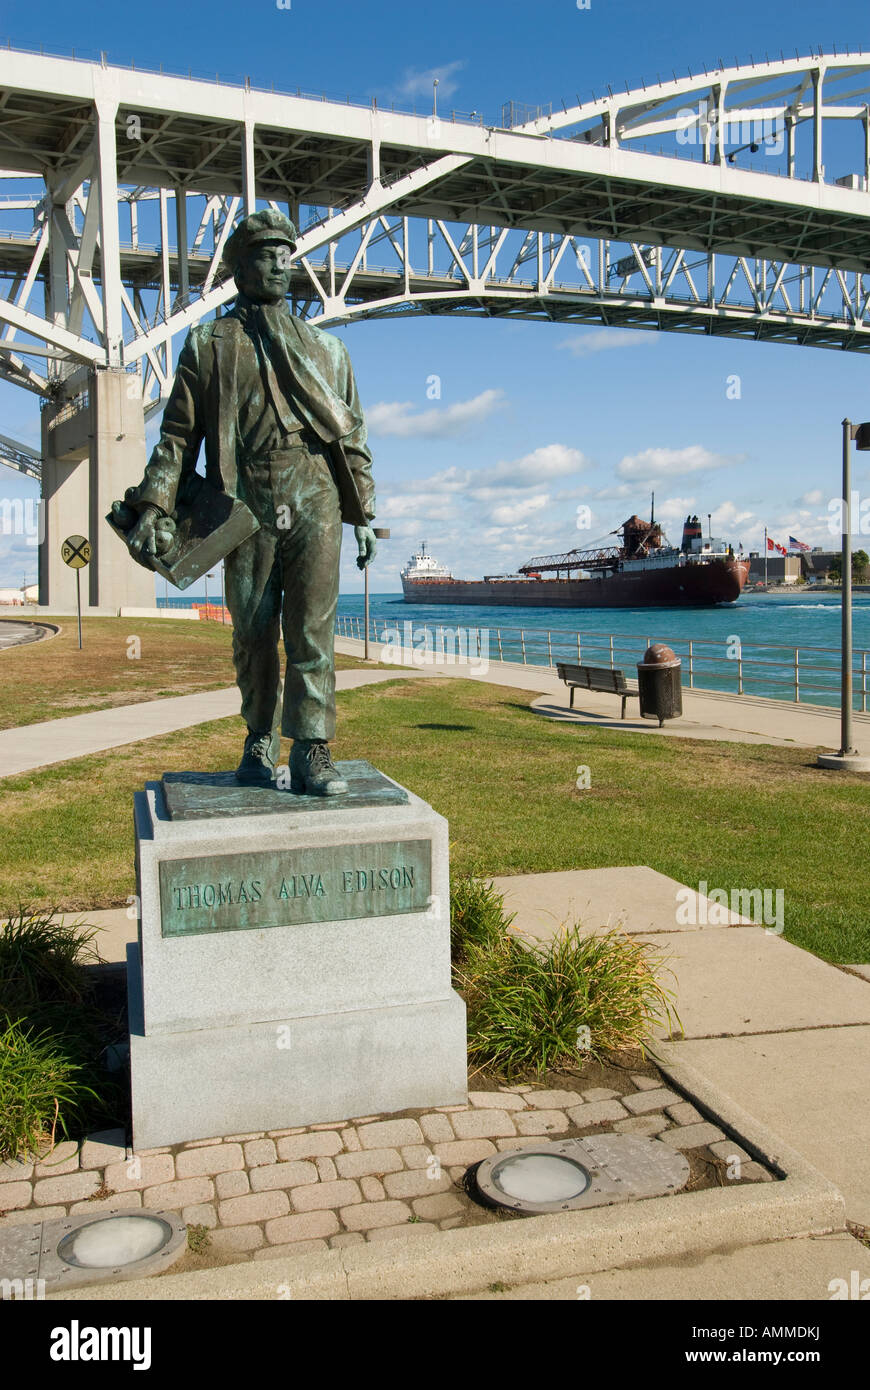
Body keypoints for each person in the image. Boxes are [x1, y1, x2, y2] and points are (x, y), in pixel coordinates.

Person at [123, 209, 377, 795]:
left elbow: (354, 440)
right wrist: (157, 505)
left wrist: (361, 512)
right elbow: (179, 438)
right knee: (253, 629)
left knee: (312, 627)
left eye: (287, 255)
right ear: (240, 268)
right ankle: (258, 737)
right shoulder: (209, 343)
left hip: (314, 491)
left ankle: (313, 747)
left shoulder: (328, 352)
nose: (281, 265)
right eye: (266, 255)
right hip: (245, 498)